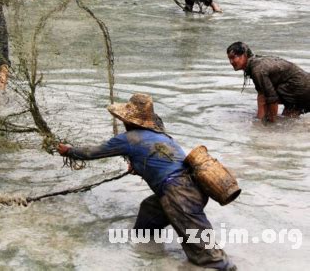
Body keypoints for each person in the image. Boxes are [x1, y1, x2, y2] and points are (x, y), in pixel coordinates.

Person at [58, 93, 236, 270]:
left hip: (179, 195)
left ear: (128, 120)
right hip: (190, 189)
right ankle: (150, 257)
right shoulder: (162, 137)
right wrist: (139, 167)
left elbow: (92, 152)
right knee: (147, 218)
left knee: (209, 257)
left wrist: (69, 151)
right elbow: (160, 163)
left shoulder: (129, 138)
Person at [227, 42, 310, 122]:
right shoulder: (256, 64)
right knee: (288, 120)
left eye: (233, 57)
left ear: (244, 55)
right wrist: (260, 118)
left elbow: (271, 98)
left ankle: (269, 125)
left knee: (268, 102)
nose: (231, 62)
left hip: (302, 89)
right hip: (301, 89)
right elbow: (261, 94)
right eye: (229, 58)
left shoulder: (257, 69)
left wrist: (271, 122)